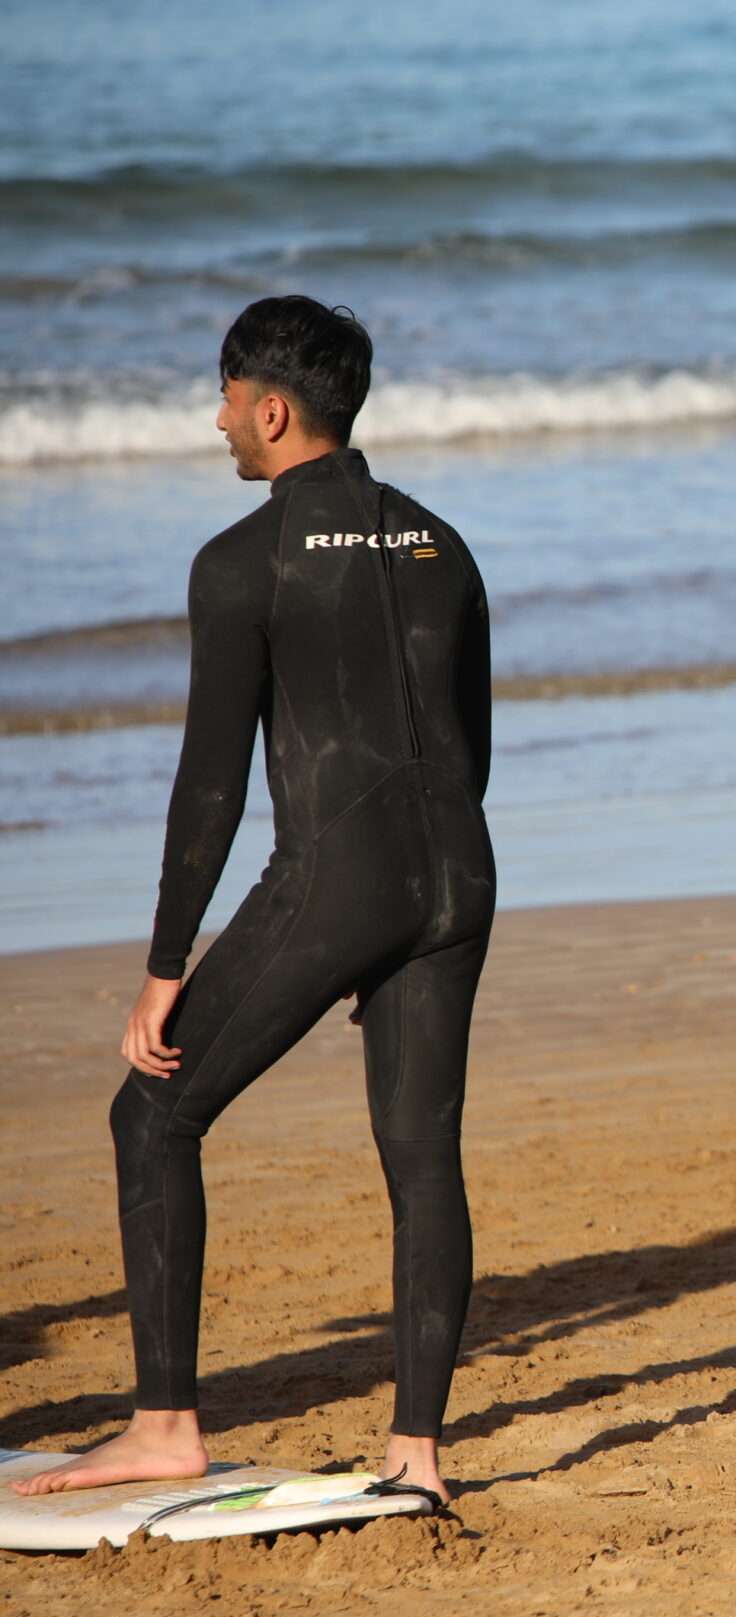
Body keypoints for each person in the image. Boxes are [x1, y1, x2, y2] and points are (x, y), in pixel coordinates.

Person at [10, 298, 497, 1500]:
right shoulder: (443, 543)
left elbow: (212, 780)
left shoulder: (242, 562)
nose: (219, 418)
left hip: (342, 879)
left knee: (150, 1116)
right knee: (422, 1152)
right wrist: (399, 919)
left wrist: (166, 967)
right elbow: (468, 744)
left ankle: (165, 1426)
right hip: (460, 877)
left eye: (227, 397)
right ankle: (417, 1457)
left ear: (273, 411)